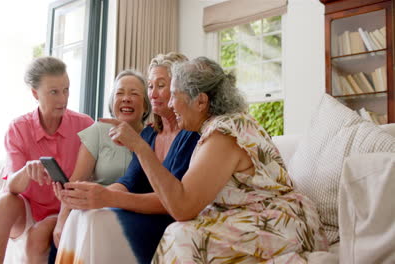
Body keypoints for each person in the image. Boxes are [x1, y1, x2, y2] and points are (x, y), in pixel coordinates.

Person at [100, 57, 329, 263]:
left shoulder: (224, 134)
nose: (170, 104)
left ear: (200, 102)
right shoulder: (222, 126)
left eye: (175, 95)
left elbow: (182, 207)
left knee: (180, 237)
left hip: (282, 224)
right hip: (258, 215)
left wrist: (140, 147)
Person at [53, 52, 200, 264]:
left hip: (165, 221)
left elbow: (173, 202)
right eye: (150, 86)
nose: (154, 93)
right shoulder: (149, 134)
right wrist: (88, 196)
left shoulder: (191, 135)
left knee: (97, 221)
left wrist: (107, 197)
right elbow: (127, 182)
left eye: (161, 85)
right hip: (139, 214)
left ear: (180, 89)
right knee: (80, 214)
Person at [0, 56, 94, 264]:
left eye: (66, 90)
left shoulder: (84, 125)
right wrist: (26, 171)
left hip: (66, 209)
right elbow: (12, 185)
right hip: (28, 211)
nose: (63, 99)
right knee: (3, 202)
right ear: (35, 93)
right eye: (54, 92)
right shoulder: (18, 128)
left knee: (40, 232)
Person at [48, 69, 151, 258]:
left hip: (131, 212)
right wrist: (62, 220)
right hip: (93, 207)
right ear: (112, 102)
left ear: (145, 105)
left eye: (134, 94)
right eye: (120, 93)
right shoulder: (98, 131)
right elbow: (76, 181)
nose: (126, 98)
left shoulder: (152, 137)